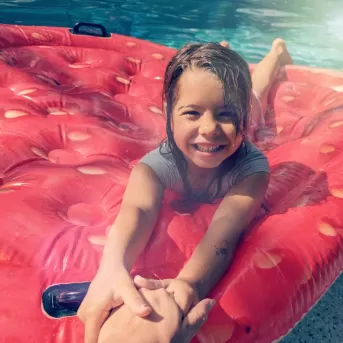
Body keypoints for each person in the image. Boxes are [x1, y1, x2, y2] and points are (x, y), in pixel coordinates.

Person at [77, 38, 293, 343]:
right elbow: (136, 211)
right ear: (168, 112)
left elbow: (224, 231)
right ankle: (223, 55)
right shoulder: (157, 165)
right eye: (192, 113)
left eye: (226, 114)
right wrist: (113, 265)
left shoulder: (251, 169)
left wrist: (189, 284)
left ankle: (275, 53)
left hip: (251, 117)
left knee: (259, 94)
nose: (209, 128)